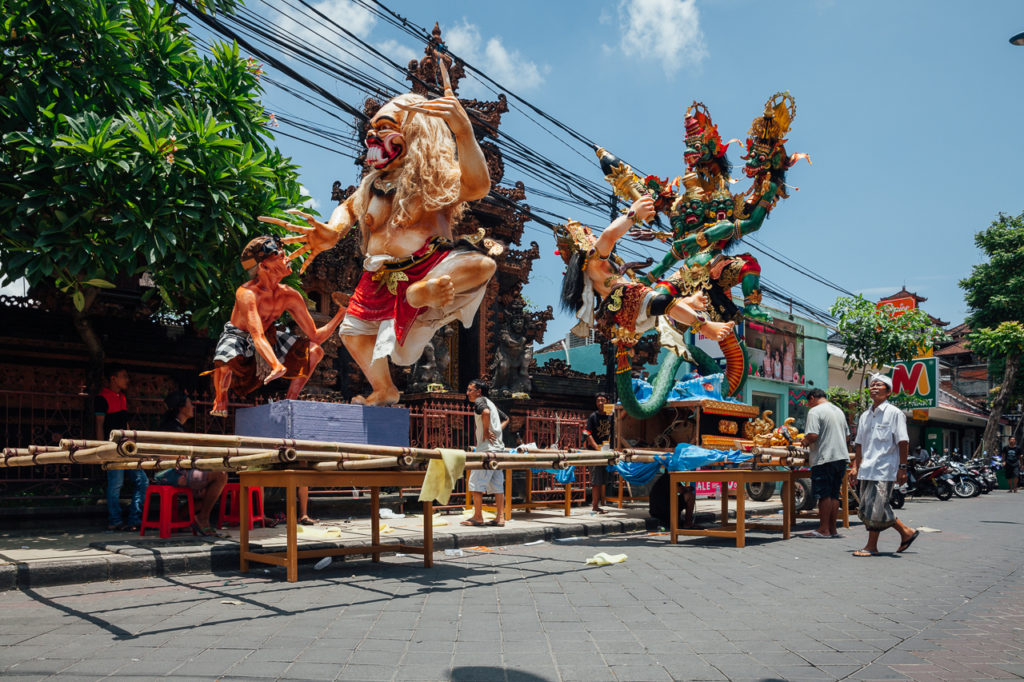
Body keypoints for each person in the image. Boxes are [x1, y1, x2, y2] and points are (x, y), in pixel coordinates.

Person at [260, 62, 496, 407]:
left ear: (417, 134)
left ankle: (420, 295)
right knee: (352, 335)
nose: (373, 138)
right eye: (371, 131)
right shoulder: (371, 185)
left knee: (482, 265)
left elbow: (477, 186)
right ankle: (385, 388)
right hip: (379, 274)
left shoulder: (430, 179)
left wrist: (463, 132)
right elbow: (348, 209)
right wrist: (332, 231)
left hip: (426, 267)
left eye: (385, 129)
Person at [208, 235, 347, 416]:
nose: (287, 258)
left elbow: (315, 336)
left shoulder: (290, 295)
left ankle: (290, 401)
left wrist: (340, 314)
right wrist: (276, 365)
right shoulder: (247, 293)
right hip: (240, 337)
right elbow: (256, 335)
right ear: (264, 266)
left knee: (315, 351)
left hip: (269, 337)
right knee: (225, 361)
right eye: (280, 257)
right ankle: (220, 398)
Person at [850, 374, 919, 556]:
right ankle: (906, 532)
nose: (873, 387)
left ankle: (871, 546)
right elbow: (859, 444)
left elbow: (903, 442)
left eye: (878, 385)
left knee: (875, 508)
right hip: (867, 469)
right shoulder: (864, 415)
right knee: (871, 507)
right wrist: (856, 465)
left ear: (888, 391)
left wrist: (902, 469)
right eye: (872, 385)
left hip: (884, 468)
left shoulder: (895, 414)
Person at [156, 392, 228, 536]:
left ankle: (182, 519)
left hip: (177, 471)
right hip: (170, 473)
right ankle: (202, 518)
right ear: (182, 408)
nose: (193, 407)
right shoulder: (173, 429)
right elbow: (174, 457)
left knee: (209, 492)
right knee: (221, 476)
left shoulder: (177, 427)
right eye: (190, 403)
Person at [96, 364, 148, 531]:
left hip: (127, 447)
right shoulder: (102, 398)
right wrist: (100, 450)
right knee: (116, 484)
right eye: (123, 376)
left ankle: (134, 519)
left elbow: (124, 424)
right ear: (113, 378)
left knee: (143, 481)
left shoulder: (122, 397)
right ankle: (115, 520)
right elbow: (99, 425)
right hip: (111, 448)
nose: (127, 379)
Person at [800, 388, 850, 538]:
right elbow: (847, 437)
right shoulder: (838, 410)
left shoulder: (815, 411)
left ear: (813, 398)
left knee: (824, 495)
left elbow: (813, 435)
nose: (809, 405)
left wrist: (804, 441)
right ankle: (832, 529)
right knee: (834, 495)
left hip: (824, 458)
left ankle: (823, 529)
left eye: (808, 402)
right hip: (841, 457)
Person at [461, 379, 509, 527]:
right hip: (498, 449)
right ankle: (500, 517)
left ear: (479, 391)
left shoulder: (480, 401)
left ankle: (477, 516)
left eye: (470, 390)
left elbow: (485, 413)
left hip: (487, 450)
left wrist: (487, 430)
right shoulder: (490, 402)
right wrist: (497, 431)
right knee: (497, 485)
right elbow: (506, 418)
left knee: (475, 483)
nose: (468, 393)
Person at [583, 393, 613, 513]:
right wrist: (597, 448)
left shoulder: (611, 416)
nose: (601, 403)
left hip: (606, 451)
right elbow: (587, 433)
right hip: (595, 453)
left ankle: (598, 505)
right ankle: (595, 506)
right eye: (598, 401)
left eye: (603, 400)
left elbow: (618, 419)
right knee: (596, 481)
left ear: (607, 401)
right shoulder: (593, 417)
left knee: (602, 480)